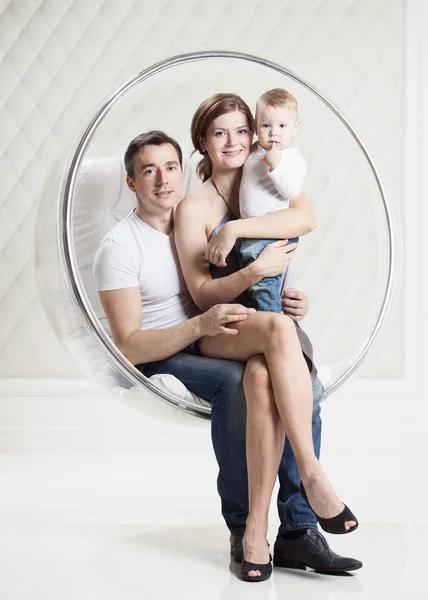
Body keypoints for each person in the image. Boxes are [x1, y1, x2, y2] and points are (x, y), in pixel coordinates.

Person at [93, 130, 362, 582]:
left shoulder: (201, 220)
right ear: (131, 182)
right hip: (166, 350)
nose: (163, 179)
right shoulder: (120, 247)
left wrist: (289, 297)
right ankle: (247, 527)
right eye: (149, 171)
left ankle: (290, 530)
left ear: (183, 169)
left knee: (265, 370)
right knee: (240, 381)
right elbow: (129, 345)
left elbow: (262, 265)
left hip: (216, 329)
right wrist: (199, 325)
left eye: (171, 167)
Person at [175, 94, 358, 581]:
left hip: (268, 324)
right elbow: (201, 295)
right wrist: (254, 268)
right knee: (278, 331)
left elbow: (306, 220)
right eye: (219, 133)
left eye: (241, 131)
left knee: (261, 378)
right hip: (218, 327)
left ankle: (262, 531)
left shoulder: (269, 180)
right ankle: (313, 475)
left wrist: (239, 232)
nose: (233, 142)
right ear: (203, 144)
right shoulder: (193, 208)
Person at [238, 88, 307, 313]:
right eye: (266, 126)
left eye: (282, 126)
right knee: (255, 286)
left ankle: (272, 321)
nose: (273, 133)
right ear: (256, 127)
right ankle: (266, 321)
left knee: (265, 285)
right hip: (252, 233)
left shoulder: (291, 158)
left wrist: (276, 164)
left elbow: (292, 189)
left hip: (273, 233)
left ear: (295, 128)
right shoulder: (253, 150)